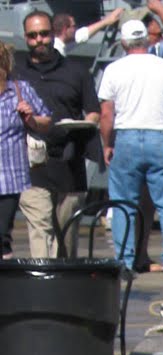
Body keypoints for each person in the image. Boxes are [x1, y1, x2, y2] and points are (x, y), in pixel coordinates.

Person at [97, 18, 163, 271]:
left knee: (123, 202)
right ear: (149, 40)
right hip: (161, 136)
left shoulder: (113, 70)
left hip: (126, 137)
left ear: (123, 42)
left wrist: (107, 144)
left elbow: (107, 114)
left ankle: (124, 259)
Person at [18, 8, 101, 257]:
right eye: (33, 36)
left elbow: (94, 111)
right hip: (33, 162)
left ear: (53, 34)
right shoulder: (17, 75)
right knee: (40, 226)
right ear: (25, 38)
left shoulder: (75, 72)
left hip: (69, 160)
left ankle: (65, 278)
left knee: (67, 232)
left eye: (43, 33)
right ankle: (43, 283)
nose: (39, 40)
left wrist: (86, 124)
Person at [0, 40, 52, 257]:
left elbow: (47, 121)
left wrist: (30, 118)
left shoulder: (20, 90)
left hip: (10, 177)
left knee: (2, 235)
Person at [52, 9, 126, 54]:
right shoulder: (55, 50)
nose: (76, 29)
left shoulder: (61, 44)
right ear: (65, 29)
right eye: (74, 26)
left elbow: (81, 35)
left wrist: (106, 21)